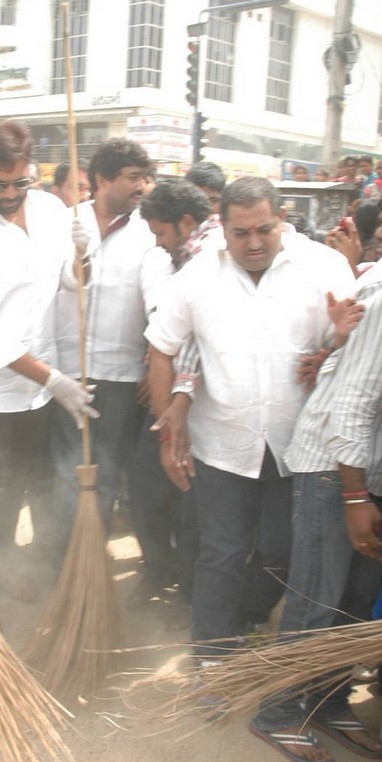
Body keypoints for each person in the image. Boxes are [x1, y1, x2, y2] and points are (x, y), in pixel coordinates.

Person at [145, 177, 356, 680]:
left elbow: (354, 342)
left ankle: (246, 618)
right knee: (221, 552)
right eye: (241, 233)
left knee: (283, 552)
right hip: (222, 443)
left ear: (282, 218)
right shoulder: (197, 277)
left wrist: (332, 349)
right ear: (223, 227)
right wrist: (168, 436)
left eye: (264, 229)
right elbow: (161, 349)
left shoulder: (324, 268)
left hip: (301, 444)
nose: (254, 242)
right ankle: (213, 660)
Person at [249, 202, 382, 762]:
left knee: (356, 603)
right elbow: (354, 404)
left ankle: (328, 698)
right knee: (316, 597)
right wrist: (356, 498)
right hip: (334, 469)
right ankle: (280, 710)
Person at [0, 117, 96, 617]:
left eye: (20, 183)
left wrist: (82, 258)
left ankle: (12, 570)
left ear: (33, 172)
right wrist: (54, 380)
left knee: (32, 480)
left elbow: (68, 285)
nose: (10, 194)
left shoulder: (51, 210)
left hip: (39, 386)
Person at [52, 140, 163, 561]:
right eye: (133, 178)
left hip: (119, 376)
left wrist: (155, 359)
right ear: (101, 180)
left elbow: (158, 299)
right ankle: (60, 560)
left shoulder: (148, 232)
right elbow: (58, 281)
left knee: (106, 473)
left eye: (146, 177)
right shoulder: (64, 222)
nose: (143, 187)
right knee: (64, 471)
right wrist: (77, 257)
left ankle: (89, 561)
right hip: (63, 369)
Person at [131, 180, 214, 602]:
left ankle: (183, 588)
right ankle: (171, 578)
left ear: (186, 222)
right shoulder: (187, 256)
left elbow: (194, 339)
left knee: (175, 495)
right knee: (165, 492)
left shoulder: (207, 257)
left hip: (199, 405)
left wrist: (174, 407)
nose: (160, 244)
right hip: (182, 398)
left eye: (162, 233)